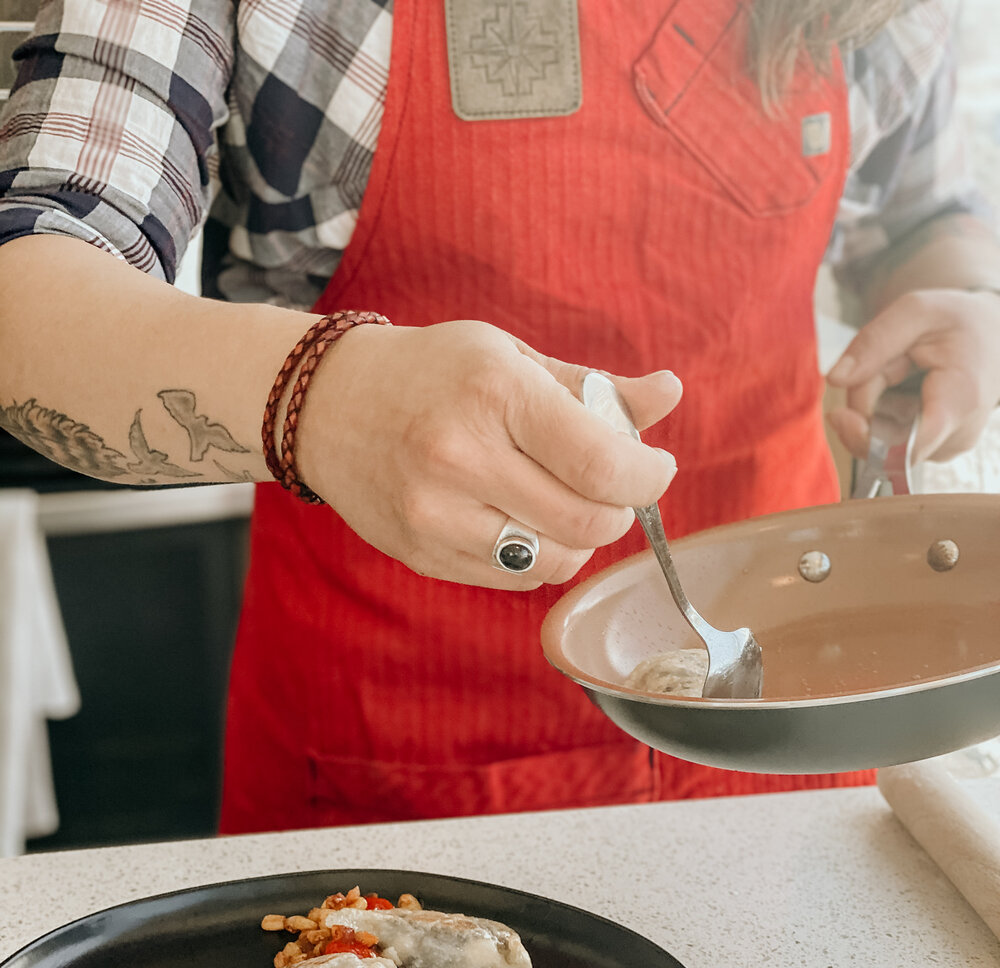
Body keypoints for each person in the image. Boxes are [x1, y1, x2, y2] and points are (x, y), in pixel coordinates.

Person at [0, 0, 998, 834]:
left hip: (793, 746)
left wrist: (962, 300)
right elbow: (26, 287)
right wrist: (324, 398)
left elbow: (921, 213)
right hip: (402, 764)